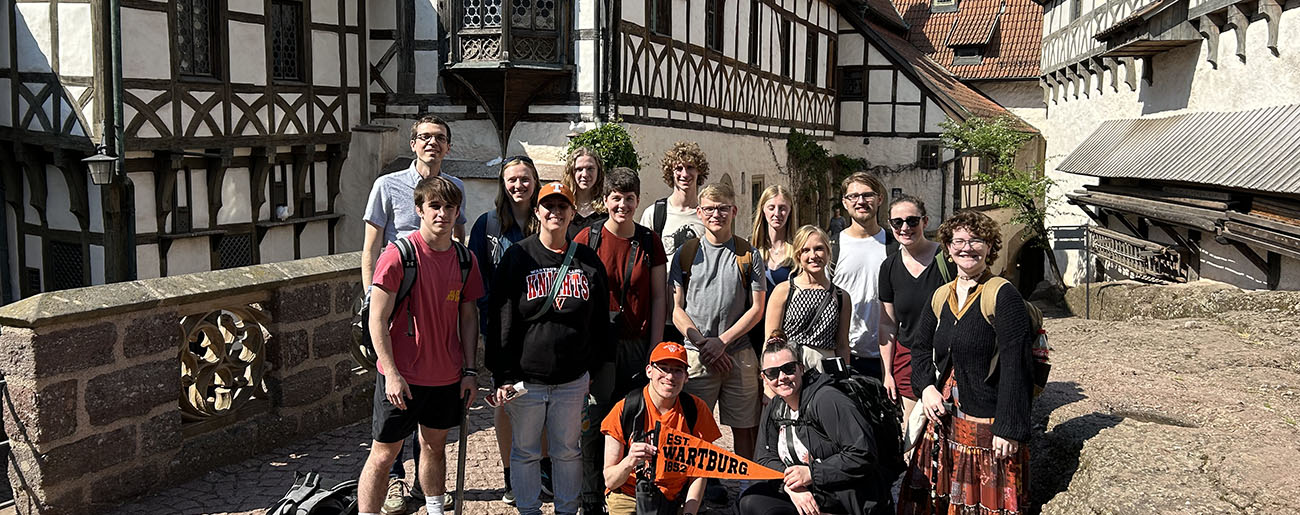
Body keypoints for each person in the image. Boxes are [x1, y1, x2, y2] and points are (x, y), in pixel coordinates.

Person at [361, 115, 468, 513]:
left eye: (440, 138)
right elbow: (371, 248)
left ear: (448, 147)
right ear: (412, 143)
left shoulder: (455, 189)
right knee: (388, 439)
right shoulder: (387, 186)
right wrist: (372, 304)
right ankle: (391, 488)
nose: (432, 143)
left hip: (436, 320)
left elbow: (456, 246)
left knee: (430, 437)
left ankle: (428, 498)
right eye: (425, 137)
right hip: (396, 311)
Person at [898, 210, 1034, 515]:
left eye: (975, 240)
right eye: (958, 241)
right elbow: (918, 350)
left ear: (989, 247)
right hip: (946, 420)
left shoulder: (1002, 295)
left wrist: (1010, 428)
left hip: (987, 425)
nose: (966, 248)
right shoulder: (941, 296)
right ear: (947, 249)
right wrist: (926, 389)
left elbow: (1017, 365)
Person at [487, 181, 611, 515]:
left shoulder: (586, 261)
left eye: (562, 207)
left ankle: (567, 510)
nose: (555, 212)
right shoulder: (518, 257)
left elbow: (599, 320)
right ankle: (528, 509)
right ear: (538, 213)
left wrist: (592, 368)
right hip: (526, 379)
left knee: (567, 451)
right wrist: (503, 374)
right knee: (525, 451)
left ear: (572, 213)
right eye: (548, 207)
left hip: (572, 380)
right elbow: (501, 318)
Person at [573, 167, 669, 513]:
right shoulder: (587, 239)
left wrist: (655, 349)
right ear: (605, 200)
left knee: (634, 420)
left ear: (637, 200)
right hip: (598, 346)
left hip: (636, 345)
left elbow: (659, 297)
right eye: (616, 198)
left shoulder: (649, 241)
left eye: (629, 199)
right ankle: (590, 496)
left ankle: (628, 494)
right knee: (595, 422)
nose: (622, 205)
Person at [670, 182, 766, 503]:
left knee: (745, 427)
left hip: (738, 353)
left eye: (723, 208)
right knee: (695, 430)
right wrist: (703, 342)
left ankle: (746, 491)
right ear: (700, 212)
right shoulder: (686, 253)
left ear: (734, 211)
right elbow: (676, 309)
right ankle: (697, 491)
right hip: (697, 355)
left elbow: (757, 308)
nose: (716, 214)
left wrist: (722, 342)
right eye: (709, 209)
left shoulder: (748, 254)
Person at [741, 337, 891, 515]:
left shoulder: (827, 400)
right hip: (809, 494)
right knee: (750, 501)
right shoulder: (775, 406)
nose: (782, 378)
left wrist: (812, 474)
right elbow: (764, 459)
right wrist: (792, 486)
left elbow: (862, 453)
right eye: (773, 373)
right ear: (764, 378)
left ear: (801, 368)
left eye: (788, 369)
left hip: (846, 497)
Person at [467, 155, 539, 505]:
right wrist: (488, 320)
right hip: (502, 330)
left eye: (525, 179)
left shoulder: (547, 221)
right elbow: (475, 277)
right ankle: (511, 474)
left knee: (541, 398)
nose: (518, 185)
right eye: (512, 179)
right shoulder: (488, 225)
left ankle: (541, 469)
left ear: (535, 182)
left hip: (541, 331)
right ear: (503, 184)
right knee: (505, 401)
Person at [600, 341, 722, 515]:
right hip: (629, 494)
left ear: (686, 377)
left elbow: (700, 472)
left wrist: (689, 512)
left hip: (675, 497)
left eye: (677, 370)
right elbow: (610, 481)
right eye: (663, 368)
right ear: (649, 371)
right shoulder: (626, 408)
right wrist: (630, 461)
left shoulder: (695, 409)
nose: (670, 377)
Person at [877, 195, 955, 434]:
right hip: (908, 360)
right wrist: (887, 373)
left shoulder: (948, 260)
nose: (904, 228)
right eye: (897, 222)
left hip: (947, 359)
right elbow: (888, 324)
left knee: (947, 430)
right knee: (913, 430)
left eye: (912, 221)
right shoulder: (889, 267)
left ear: (925, 221)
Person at [641, 142, 709, 344]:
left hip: (699, 313)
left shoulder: (708, 214)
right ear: (670, 173)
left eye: (690, 167)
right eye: (678, 168)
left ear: (699, 172)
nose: (684, 173)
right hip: (664, 316)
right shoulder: (655, 213)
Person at [831, 172, 892, 380]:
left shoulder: (895, 247)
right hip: (845, 355)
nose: (860, 201)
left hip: (887, 356)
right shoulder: (832, 248)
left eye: (867, 195)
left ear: (879, 199)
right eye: (853, 196)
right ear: (845, 203)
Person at [764, 225, 851, 371]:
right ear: (798, 255)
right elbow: (770, 342)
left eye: (818, 248)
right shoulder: (784, 290)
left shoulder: (841, 296)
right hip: (790, 367)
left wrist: (845, 377)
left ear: (828, 252)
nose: (813, 255)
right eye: (805, 250)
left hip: (826, 369)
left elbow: (842, 344)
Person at [748, 186, 796, 357]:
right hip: (753, 332)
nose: (777, 213)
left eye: (782, 208)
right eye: (772, 207)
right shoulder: (749, 250)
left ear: (790, 211)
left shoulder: (797, 252)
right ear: (763, 210)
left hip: (787, 332)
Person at [564, 146, 608, 235]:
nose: (585, 174)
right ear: (571, 172)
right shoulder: (563, 205)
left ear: (598, 171)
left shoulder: (607, 206)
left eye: (590, 169)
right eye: (579, 169)